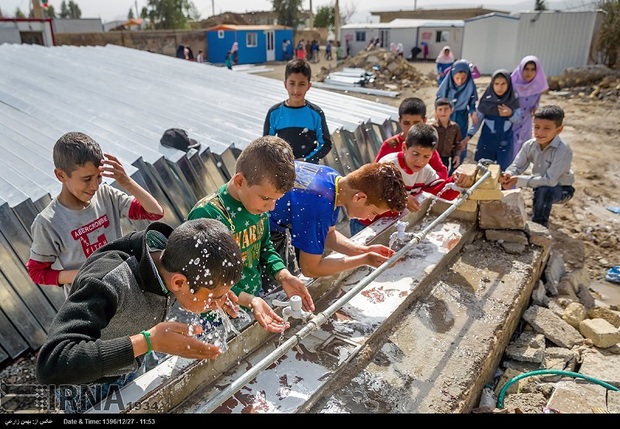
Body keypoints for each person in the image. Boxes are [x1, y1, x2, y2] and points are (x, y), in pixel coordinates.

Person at [35, 218, 244, 413]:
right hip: (88, 389)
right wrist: (147, 341)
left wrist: (220, 295)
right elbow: (51, 364)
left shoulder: (174, 261)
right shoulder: (108, 282)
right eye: (216, 296)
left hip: (128, 366)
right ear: (179, 283)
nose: (218, 302)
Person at [187, 136, 314, 331]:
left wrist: (283, 274)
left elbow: (265, 247)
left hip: (254, 299)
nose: (271, 207)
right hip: (216, 312)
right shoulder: (207, 215)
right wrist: (250, 299)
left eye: (276, 200)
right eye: (266, 198)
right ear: (240, 181)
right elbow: (203, 280)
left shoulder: (257, 207)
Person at [26, 132, 165, 297]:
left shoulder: (106, 194)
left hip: (126, 289)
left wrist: (126, 181)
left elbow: (155, 213)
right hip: (90, 301)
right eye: (86, 179)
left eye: (98, 177)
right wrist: (88, 274)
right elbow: (37, 272)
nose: (94, 186)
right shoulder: (48, 222)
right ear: (61, 175)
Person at [268, 161, 408, 279]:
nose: (371, 218)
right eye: (373, 212)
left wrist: (363, 250)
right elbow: (310, 269)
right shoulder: (319, 205)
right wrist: (365, 260)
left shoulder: (332, 180)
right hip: (254, 229)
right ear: (359, 198)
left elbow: (329, 234)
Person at [349, 97, 450, 236]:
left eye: (416, 123)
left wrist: (421, 191)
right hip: (371, 216)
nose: (411, 128)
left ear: (424, 122)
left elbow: (440, 175)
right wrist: (402, 197)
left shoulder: (424, 148)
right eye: (406, 123)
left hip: (395, 215)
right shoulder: (390, 149)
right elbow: (377, 181)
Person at [499, 105, 574, 227]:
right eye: (537, 127)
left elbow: (550, 181)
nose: (540, 132)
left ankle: (539, 230)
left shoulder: (563, 149)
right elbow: (517, 166)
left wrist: (517, 179)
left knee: (544, 191)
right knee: (539, 189)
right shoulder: (530, 145)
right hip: (540, 184)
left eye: (546, 128)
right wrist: (509, 174)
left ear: (558, 130)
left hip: (562, 189)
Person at [263, 59, 332, 164]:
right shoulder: (274, 113)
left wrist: (307, 160)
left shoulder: (316, 114)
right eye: (292, 83)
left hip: (308, 170)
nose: (296, 89)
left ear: (308, 86)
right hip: (283, 169)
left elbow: (325, 144)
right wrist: (281, 161)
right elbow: (267, 145)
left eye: (301, 84)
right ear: (285, 85)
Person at [462, 69, 521, 171]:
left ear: (509, 84)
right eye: (496, 84)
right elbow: (477, 122)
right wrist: (468, 137)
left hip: (505, 142)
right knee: (483, 171)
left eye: (503, 84)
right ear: (492, 84)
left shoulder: (513, 100)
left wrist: (510, 113)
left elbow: (518, 119)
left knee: (504, 171)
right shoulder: (486, 100)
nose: (500, 87)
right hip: (487, 142)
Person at [436, 59, 479, 166]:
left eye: (463, 78)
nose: (460, 81)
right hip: (446, 117)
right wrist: (438, 113)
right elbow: (439, 100)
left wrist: (473, 113)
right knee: (443, 142)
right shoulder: (446, 85)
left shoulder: (469, 86)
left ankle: (454, 170)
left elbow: (472, 103)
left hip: (461, 117)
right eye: (457, 78)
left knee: (459, 143)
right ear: (452, 76)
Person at [511, 55, 549, 160]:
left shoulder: (537, 86)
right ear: (521, 69)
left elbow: (536, 102)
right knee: (509, 152)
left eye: (533, 69)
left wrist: (536, 107)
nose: (529, 73)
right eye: (526, 69)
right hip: (511, 123)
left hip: (526, 124)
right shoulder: (512, 85)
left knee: (522, 152)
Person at [432, 97, 463, 175]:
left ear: (451, 110)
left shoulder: (455, 127)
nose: (443, 112)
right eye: (440, 109)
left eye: (446, 109)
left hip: (446, 158)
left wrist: (457, 155)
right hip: (432, 158)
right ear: (436, 111)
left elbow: (457, 143)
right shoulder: (432, 128)